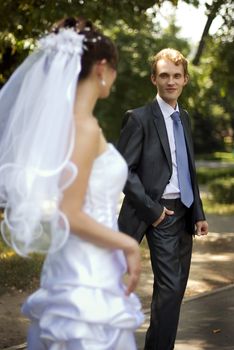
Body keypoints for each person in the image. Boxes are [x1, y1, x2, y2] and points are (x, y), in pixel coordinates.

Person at [0, 17, 144, 349]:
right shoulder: (84, 127)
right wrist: (129, 244)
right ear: (102, 68)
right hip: (85, 273)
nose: (114, 78)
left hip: (79, 265)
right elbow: (71, 212)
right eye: (114, 70)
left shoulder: (72, 124)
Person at [117, 48, 209, 350]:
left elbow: (188, 166)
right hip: (159, 214)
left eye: (177, 76)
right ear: (153, 79)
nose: (171, 81)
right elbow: (124, 171)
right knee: (169, 290)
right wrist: (154, 211)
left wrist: (198, 213)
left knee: (175, 291)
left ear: (185, 80)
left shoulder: (185, 118)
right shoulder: (139, 119)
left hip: (183, 215)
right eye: (165, 75)